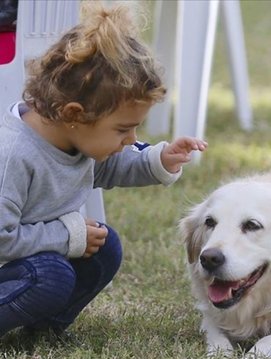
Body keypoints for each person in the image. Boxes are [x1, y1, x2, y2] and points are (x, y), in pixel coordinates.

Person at [0, 2, 207, 338]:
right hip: (13, 257)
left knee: (104, 247)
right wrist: (68, 236)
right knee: (50, 275)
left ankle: (42, 330)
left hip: (25, 262)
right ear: (74, 114)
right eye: (123, 129)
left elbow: (108, 167)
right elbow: (2, 238)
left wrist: (159, 160)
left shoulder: (73, 135)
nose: (132, 139)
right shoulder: (13, 155)